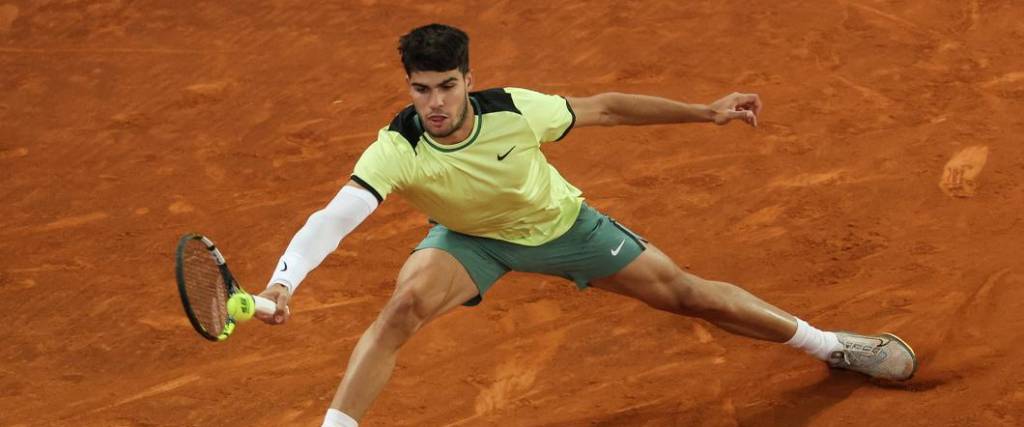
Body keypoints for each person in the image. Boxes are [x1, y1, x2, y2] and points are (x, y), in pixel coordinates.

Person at [256, 23, 917, 427]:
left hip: (562, 226)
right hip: (472, 242)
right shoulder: (396, 147)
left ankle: (830, 344)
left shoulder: (515, 110)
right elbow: (333, 218)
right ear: (409, 87)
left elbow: (605, 108)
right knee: (402, 305)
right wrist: (285, 280)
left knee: (687, 293)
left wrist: (704, 112)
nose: (434, 102)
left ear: (468, 80)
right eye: (421, 89)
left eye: (447, 86)